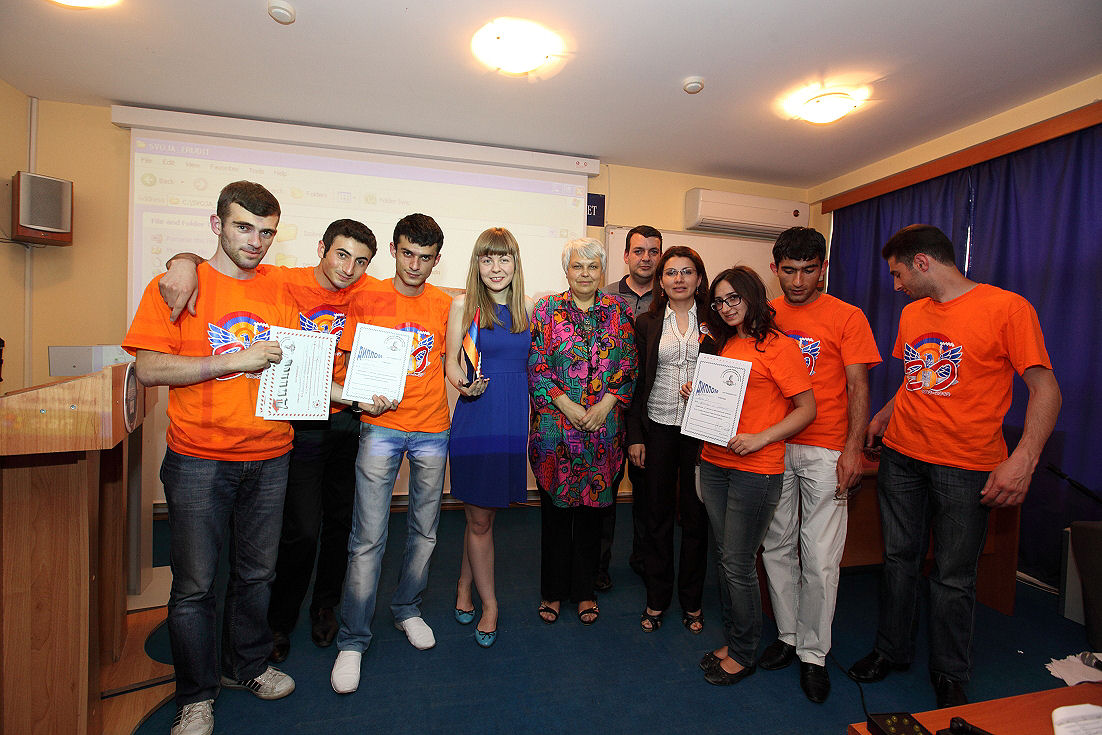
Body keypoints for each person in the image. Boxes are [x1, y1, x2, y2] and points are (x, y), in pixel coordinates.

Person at [847, 224, 1061, 708]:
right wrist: (884, 415)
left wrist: (1024, 457)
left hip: (966, 465)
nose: (896, 285)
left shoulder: (1007, 308)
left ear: (923, 263)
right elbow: (915, 378)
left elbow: (1045, 388)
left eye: (899, 274)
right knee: (898, 559)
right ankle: (891, 650)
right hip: (902, 455)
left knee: (952, 574)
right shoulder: (913, 312)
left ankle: (949, 672)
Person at [158, 219, 379, 663]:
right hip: (301, 421)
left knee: (341, 524)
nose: (348, 268)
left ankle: (325, 606)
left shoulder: (369, 290)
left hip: (350, 422)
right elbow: (221, 265)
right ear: (322, 247)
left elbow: (423, 290)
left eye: (360, 261)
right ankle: (278, 620)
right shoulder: (282, 279)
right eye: (341, 254)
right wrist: (180, 262)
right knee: (301, 531)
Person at [122, 181, 297, 735]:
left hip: (271, 456)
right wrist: (232, 360)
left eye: (266, 232)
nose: (256, 241)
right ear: (217, 224)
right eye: (244, 227)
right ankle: (195, 696)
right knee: (194, 586)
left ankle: (247, 666)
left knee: (257, 575)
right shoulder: (176, 286)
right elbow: (148, 368)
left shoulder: (280, 285)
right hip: (199, 459)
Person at [756, 227, 881, 703]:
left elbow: (858, 385)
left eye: (809, 271)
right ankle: (787, 636)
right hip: (774, 443)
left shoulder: (847, 316)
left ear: (823, 268)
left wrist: (853, 448)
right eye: (789, 271)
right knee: (776, 545)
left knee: (821, 556)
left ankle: (814, 653)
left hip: (826, 447)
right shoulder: (765, 314)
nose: (798, 281)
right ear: (775, 268)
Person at [329, 213, 452, 695]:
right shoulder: (365, 295)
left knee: (425, 531)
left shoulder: (443, 303)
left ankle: (407, 608)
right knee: (367, 538)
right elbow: (344, 361)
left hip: (432, 429)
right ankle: (353, 638)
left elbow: (454, 359)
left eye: (426, 258)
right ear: (395, 251)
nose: (415, 265)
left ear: (436, 260)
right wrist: (359, 396)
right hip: (380, 427)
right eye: (408, 254)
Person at [695, 266, 816, 687]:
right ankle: (735, 640)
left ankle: (744, 653)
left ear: (751, 297)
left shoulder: (779, 347)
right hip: (714, 462)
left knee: (738, 562)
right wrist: (698, 395)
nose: (726, 307)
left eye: (734, 298)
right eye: (719, 302)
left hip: (756, 469)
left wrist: (761, 437)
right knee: (726, 557)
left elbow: (807, 409)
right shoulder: (724, 343)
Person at [528, 237, 637, 626]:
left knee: (593, 518)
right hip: (556, 434)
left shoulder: (619, 310)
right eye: (577, 266)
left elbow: (628, 363)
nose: (585, 273)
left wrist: (604, 405)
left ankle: (585, 591)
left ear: (602, 270)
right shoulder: (546, 310)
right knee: (556, 518)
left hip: (602, 434)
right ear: (566, 270)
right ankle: (553, 591)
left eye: (592, 266)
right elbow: (537, 364)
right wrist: (567, 405)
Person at [445, 228, 534, 648]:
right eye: (487, 259)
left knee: (484, 516)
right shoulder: (464, 305)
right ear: (476, 264)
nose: (496, 268)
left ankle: (464, 584)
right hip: (477, 418)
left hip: (513, 421)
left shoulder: (528, 308)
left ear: (515, 263)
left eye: (504, 259)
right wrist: (463, 385)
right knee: (479, 519)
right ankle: (491, 605)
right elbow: (451, 362)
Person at [626, 246, 711, 635]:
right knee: (656, 516)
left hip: (701, 432)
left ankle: (692, 600)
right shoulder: (646, 322)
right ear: (660, 280)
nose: (679, 279)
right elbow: (637, 382)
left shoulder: (714, 321)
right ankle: (657, 597)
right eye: (671, 272)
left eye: (687, 271)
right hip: (657, 427)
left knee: (695, 517)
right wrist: (635, 435)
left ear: (699, 278)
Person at [599, 224, 663, 590]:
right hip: (607, 411)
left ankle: (643, 559)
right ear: (625, 255)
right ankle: (599, 565)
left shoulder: (669, 297)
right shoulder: (605, 296)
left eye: (653, 251)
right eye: (638, 251)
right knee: (604, 492)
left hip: (650, 412)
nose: (646, 258)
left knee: (648, 495)